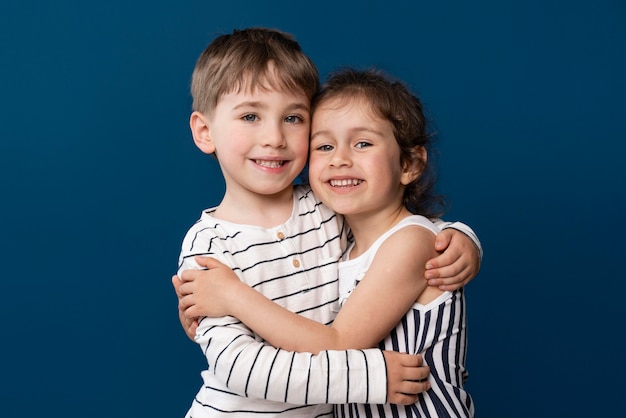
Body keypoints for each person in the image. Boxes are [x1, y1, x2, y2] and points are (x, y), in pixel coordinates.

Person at [174, 27, 481, 417]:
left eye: (293, 118)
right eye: (250, 115)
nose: (274, 137)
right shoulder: (208, 248)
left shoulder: (325, 209)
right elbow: (239, 368)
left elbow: (396, 226)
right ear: (205, 132)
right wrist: (369, 377)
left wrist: (461, 237)